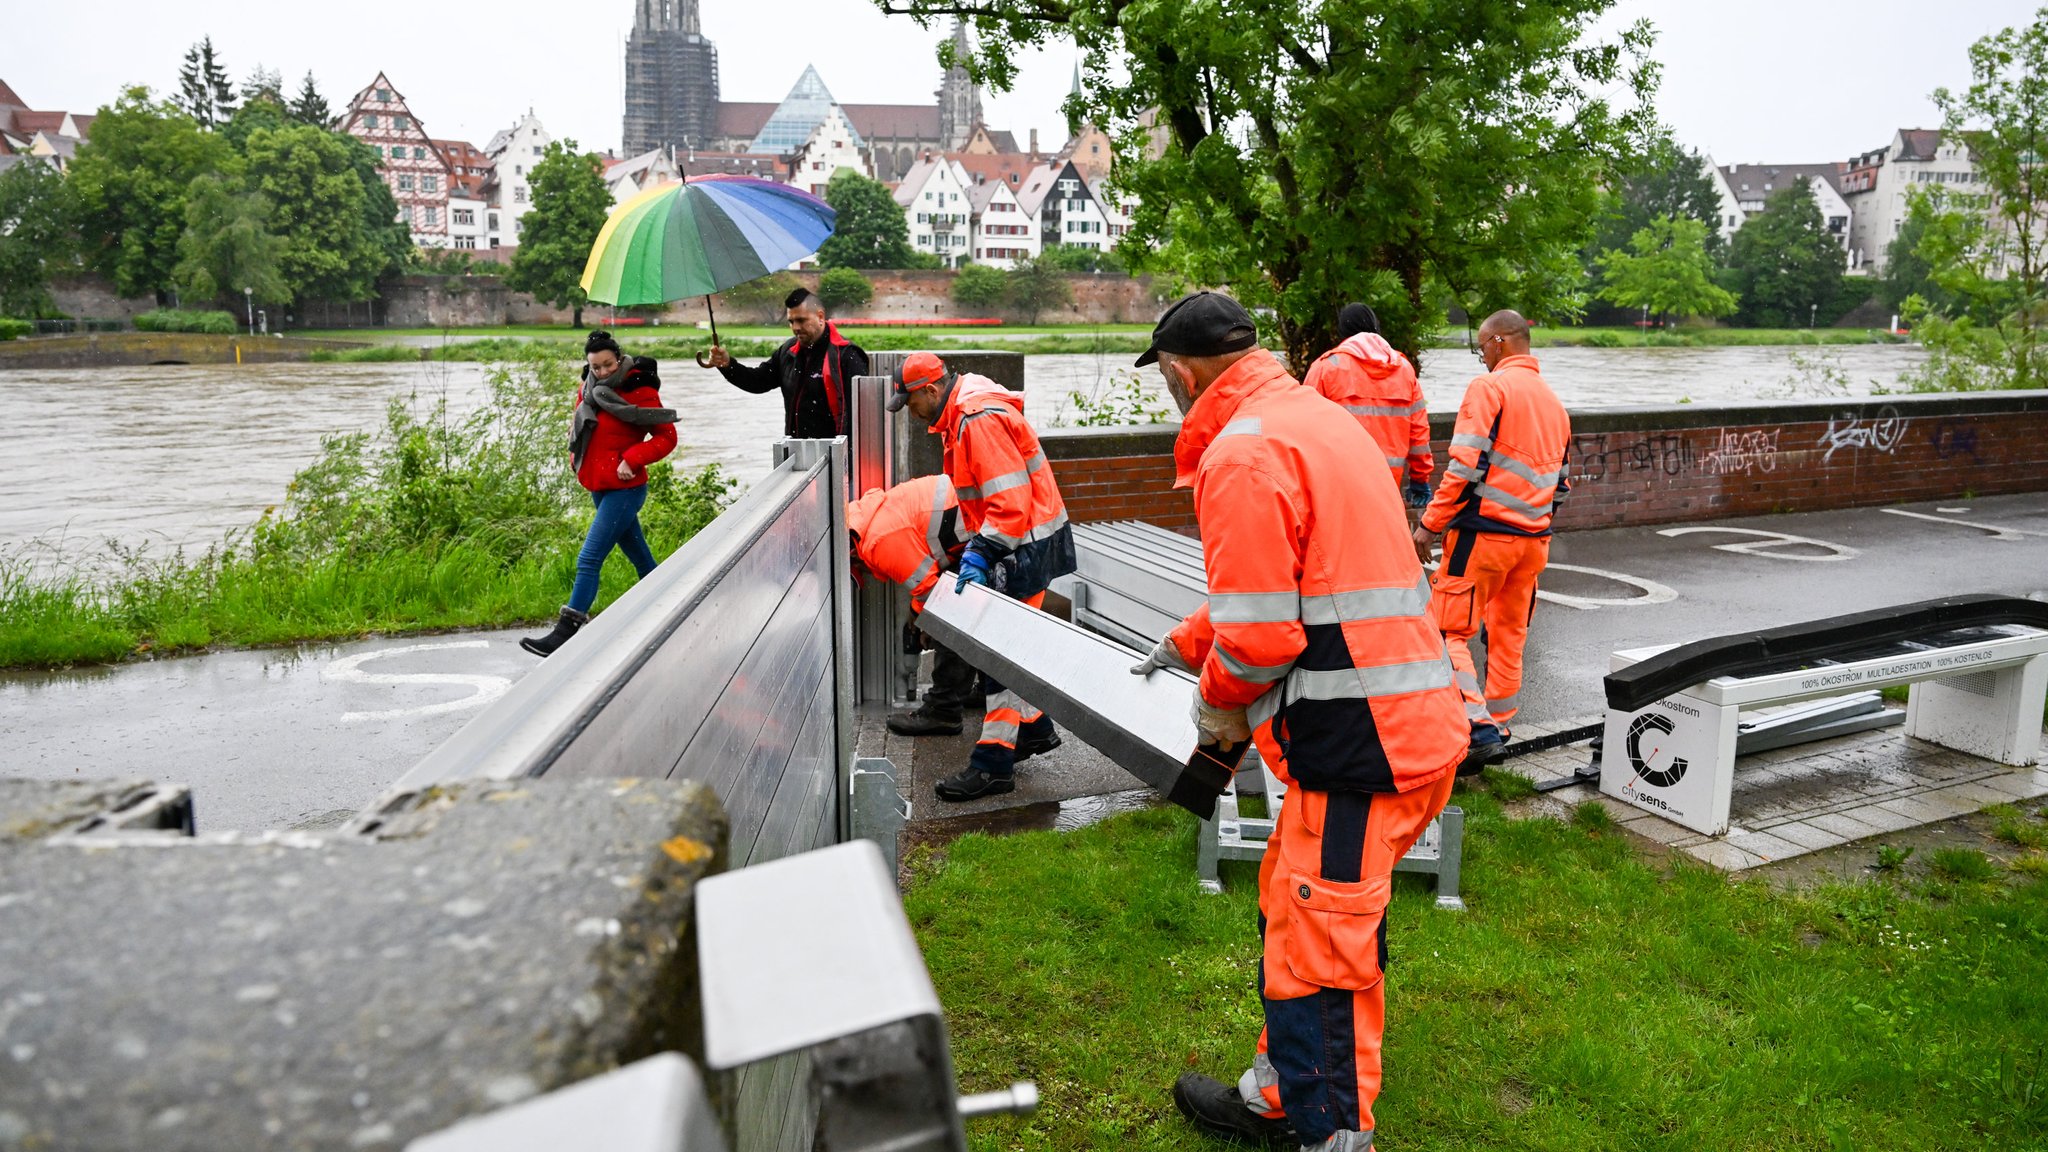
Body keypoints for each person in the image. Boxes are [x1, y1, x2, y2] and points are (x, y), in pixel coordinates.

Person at [1127, 292, 1468, 1152]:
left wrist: (1215, 701)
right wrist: (1184, 641)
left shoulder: (1241, 453)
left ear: (1178, 370)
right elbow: (1292, 582)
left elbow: (1260, 636)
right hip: (1393, 729)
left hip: (1362, 748)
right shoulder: (1314, 418)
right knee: (1297, 912)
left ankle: (1329, 1136)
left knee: (1324, 952)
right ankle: (1279, 1094)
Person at [889, 351, 1076, 801]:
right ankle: (1032, 730)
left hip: (1021, 545)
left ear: (931, 390)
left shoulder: (976, 419)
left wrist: (980, 554)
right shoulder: (964, 413)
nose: (910, 412)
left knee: (999, 656)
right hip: (1025, 542)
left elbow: (1009, 503)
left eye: (910, 401)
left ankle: (993, 764)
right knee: (1003, 649)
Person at [1412, 309, 1572, 757]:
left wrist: (1430, 525)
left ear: (1499, 342)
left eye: (1480, 347)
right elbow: (1560, 484)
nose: (1480, 356)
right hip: (1533, 543)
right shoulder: (1554, 404)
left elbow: (1464, 467)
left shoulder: (1490, 388)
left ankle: (1475, 727)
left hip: (1482, 540)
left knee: (1447, 633)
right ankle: (1499, 726)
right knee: (1508, 635)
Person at [520, 330, 678, 658]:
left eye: (608, 365)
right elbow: (580, 430)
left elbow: (667, 437)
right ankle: (674, 608)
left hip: (627, 489)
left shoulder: (638, 388)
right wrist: (575, 458)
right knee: (642, 559)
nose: (603, 372)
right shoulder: (588, 389)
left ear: (619, 359)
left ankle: (564, 633)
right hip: (600, 488)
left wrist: (632, 458)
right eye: (596, 367)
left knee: (589, 558)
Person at [846, 475, 971, 702]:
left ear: (853, 555)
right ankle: (974, 693)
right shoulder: (871, 518)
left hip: (979, 520)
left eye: (858, 570)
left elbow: (930, 589)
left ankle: (944, 708)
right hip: (974, 517)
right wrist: (916, 613)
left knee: (948, 616)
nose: (864, 573)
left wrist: (919, 619)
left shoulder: (878, 542)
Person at [1301, 302, 1433, 509]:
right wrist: (1420, 478)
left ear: (1342, 332)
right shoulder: (1404, 370)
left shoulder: (1325, 369)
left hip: (1338, 487)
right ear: (1376, 328)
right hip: (1388, 486)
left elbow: (1304, 433)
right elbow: (1418, 433)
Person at [704, 287, 869, 439]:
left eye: (801, 320)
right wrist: (727, 365)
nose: (795, 327)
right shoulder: (788, 351)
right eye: (791, 321)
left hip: (837, 456)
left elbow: (862, 415)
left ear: (820, 317)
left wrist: (847, 459)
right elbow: (757, 382)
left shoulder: (848, 355)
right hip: (797, 451)